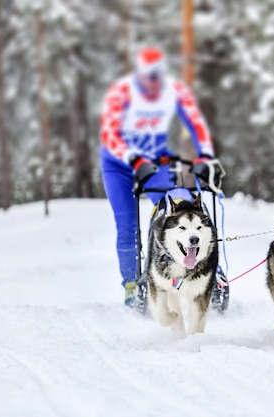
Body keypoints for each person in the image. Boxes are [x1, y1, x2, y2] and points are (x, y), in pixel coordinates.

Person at [99, 46, 224, 307]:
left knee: (179, 206)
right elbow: (110, 134)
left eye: (158, 76)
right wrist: (134, 159)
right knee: (127, 226)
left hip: (156, 160)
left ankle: (205, 269)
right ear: (139, 74)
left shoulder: (174, 89)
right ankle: (132, 284)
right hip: (118, 165)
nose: (154, 83)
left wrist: (206, 156)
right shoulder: (121, 91)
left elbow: (196, 123)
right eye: (148, 77)